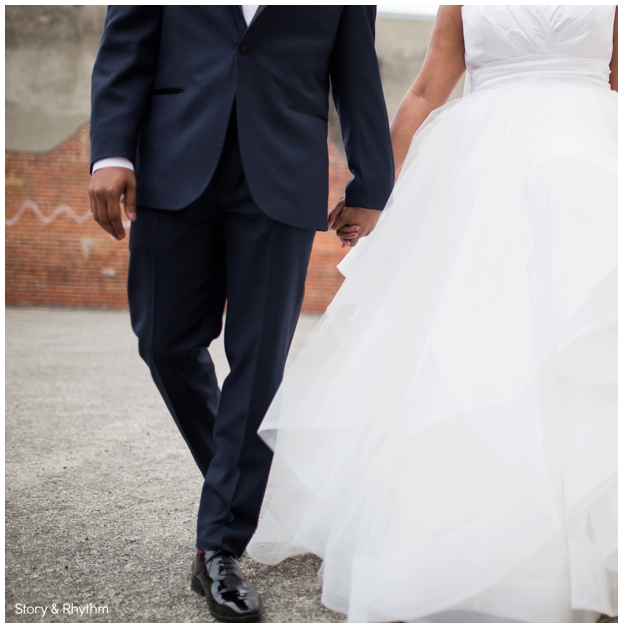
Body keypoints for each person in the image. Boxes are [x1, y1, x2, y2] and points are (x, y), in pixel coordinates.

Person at [247, 5, 618, 622]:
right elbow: (430, 87)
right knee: (479, 326)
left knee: (601, 323)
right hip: (482, 169)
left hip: (597, 169)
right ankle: (474, 508)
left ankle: (607, 513)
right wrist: (374, 191)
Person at [87, 6, 394, 622]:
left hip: (281, 171)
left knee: (258, 365)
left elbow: (357, 71)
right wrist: (110, 150)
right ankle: (258, 487)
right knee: (164, 341)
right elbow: (125, 45)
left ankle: (219, 544)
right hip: (173, 157)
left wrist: (371, 186)